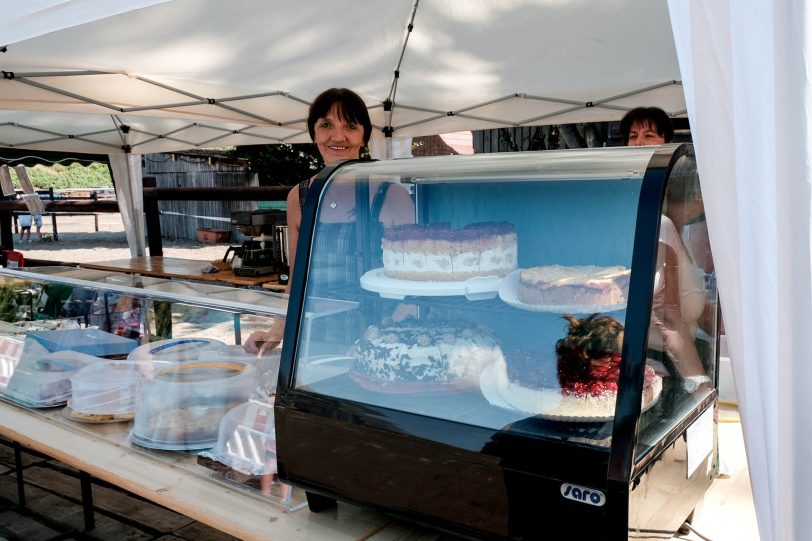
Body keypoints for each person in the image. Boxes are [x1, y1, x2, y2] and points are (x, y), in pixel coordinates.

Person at [244, 88, 413, 354]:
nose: (338, 136)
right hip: (315, 338)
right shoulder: (298, 197)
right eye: (326, 125)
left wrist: (385, 338)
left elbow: (411, 282)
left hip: (380, 337)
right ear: (313, 134)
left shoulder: (392, 195)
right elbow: (296, 278)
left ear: (364, 136)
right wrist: (277, 330)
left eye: (351, 126)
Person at [621, 107, 712, 394]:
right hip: (658, 366)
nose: (638, 142)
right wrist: (699, 384)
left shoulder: (676, 224)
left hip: (682, 357)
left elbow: (694, 305)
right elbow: (668, 317)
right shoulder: (656, 223)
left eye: (648, 135)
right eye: (633, 136)